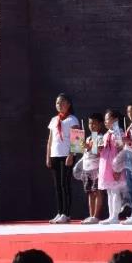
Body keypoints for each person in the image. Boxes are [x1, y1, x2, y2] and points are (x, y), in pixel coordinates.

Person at [46, 93, 79, 224]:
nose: (59, 105)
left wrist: (71, 155)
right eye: (57, 103)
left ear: (68, 104)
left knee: (65, 184)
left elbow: (78, 140)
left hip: (66, 155)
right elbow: (50, 140)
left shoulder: (73, 119)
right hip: (55, 154)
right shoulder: (54, 120)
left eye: (62, 102)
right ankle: (59, 212)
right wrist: (48, 156)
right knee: (58, 186)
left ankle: (66, 213)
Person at [98, 108, 129, 226]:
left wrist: (118, 169)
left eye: (108, 119)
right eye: (105, 120)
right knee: (110, 191)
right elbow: (102, 150)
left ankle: (115, 216)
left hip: (114, 166)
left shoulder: (118, 132)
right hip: (106, 166)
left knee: (115, 191)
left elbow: (121, 150)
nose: (106, 122)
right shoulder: (106, 134)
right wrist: (98, 148)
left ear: (115, 120)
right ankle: (111, 215)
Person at [80, 113, 105, 224]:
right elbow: (85, 152)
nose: (92, 126)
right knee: (90, 192)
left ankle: (96, 216)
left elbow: (98, 152)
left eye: (94, 123)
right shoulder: (88, 137)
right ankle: (91, 215)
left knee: (97, 191)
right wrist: (80, 146)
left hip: (97, 168)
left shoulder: (100, 137)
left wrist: (88, 147)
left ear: (100, 124)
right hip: (87, 168)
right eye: (90, 123)